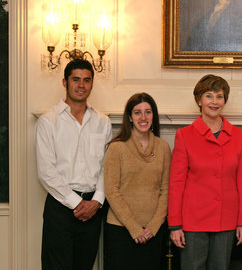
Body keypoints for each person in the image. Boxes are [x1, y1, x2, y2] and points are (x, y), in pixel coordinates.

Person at [168, 74, 242, 270]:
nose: (214, 101)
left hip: (227, 221)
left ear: (225, 100)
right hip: (192, 222)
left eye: (219, 96)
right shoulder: (184, 135)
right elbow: (176, 183)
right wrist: (175, 225)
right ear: (199, 100)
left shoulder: (239, 136)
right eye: (209, 95)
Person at [35, 59, 112, 270]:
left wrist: (96, 201)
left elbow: (108, 166)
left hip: (93, 211)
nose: (81, 85)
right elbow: (46, 171)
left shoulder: (102, 122)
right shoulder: (48, 121)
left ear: (92, 84)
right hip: (60, 209)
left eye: (87, 80)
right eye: (76, 79)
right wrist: (77, 203)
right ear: (65, 82)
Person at [103, 92, 171, 269]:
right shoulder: (116, 147)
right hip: (121, 229)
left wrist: (154, 226)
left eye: (148, 112)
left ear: (153, 116)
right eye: (137, 112)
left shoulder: (163, 147)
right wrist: (134, 228)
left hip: (153, 232)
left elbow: (166, 190)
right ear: (130, 117)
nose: (143, 117)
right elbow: (111, 191)